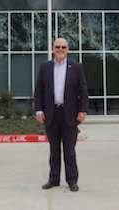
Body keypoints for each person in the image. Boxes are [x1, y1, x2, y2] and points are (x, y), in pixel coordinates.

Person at [34, 38, 89, 192]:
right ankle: (54, 179)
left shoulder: (76, 67)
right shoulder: (45, 67)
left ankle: (72, 180)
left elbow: (83, 91)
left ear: (68, 49)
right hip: (51, 114)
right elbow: (39, 91)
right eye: (57, 47)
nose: (60, 49)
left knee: (69, 150)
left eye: (63, 47)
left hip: (70, 115)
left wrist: (83, 110)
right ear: (53, 48)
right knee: (54, 149)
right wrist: (39, 110)